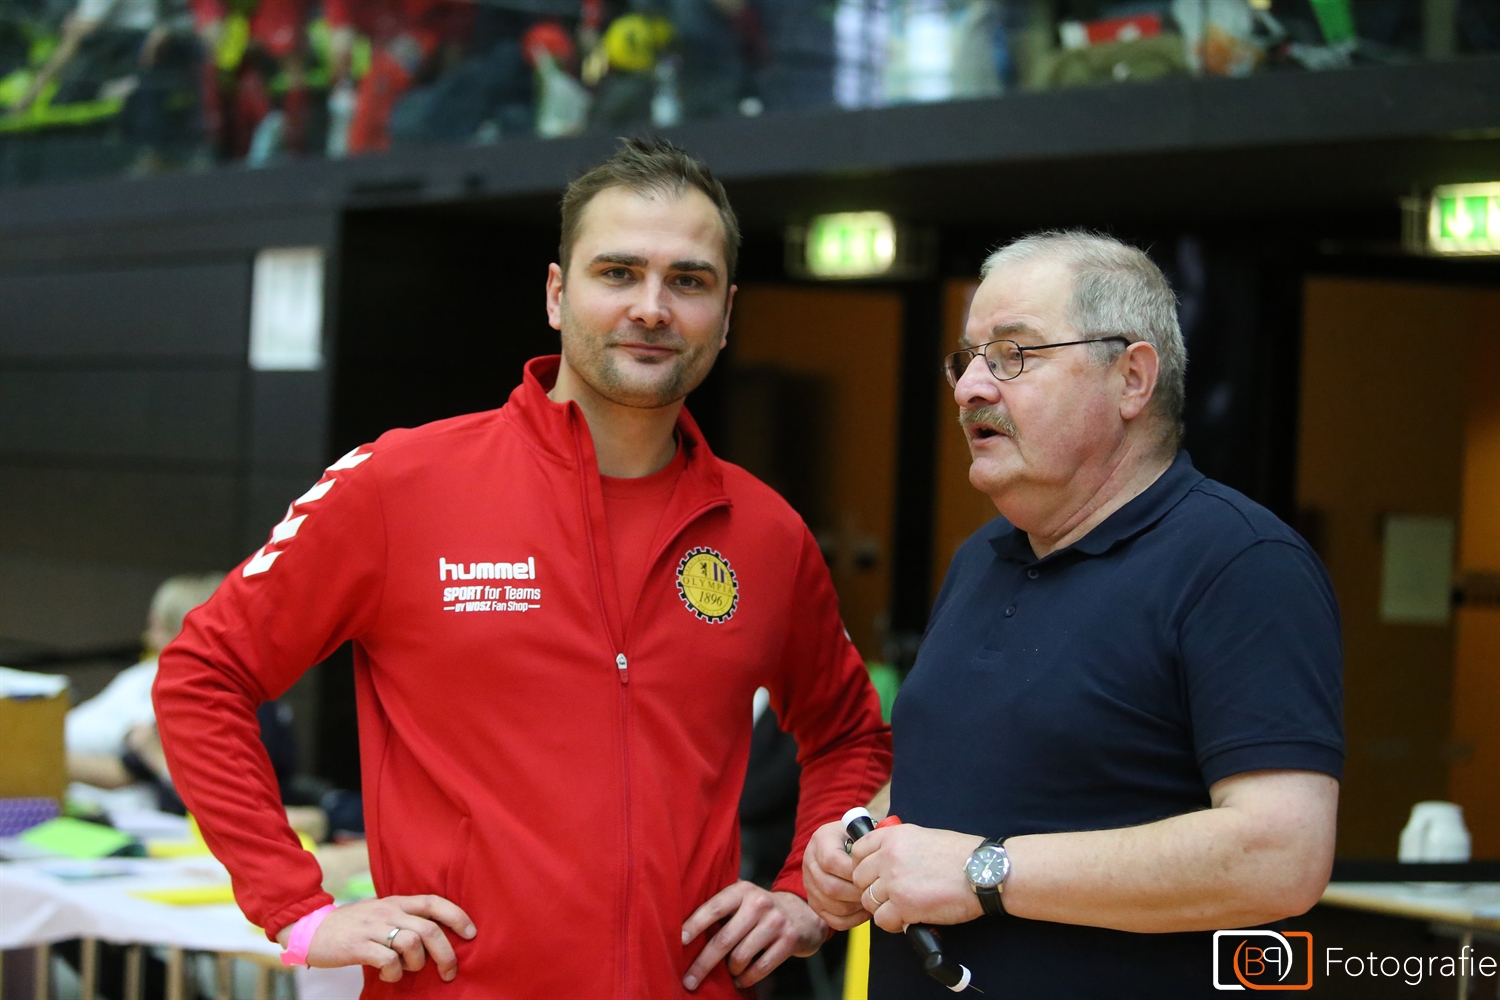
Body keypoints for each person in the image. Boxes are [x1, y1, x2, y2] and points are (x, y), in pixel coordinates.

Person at [154, 136, 892, 998]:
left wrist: (806, 895)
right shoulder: (400, 484)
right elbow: (204, 674)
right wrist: (295, 906)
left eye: (687, 281)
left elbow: (850, 735)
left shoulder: (766, 532)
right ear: (556, 293)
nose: (652, 307)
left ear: (725, 315)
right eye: (617, 272)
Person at [803, 230, 1343, 998]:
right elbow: (960, 777)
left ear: (1132, 379)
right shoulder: (981, 557)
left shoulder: (1240, 563)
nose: (970, 388)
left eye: (1013, 354)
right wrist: (862, 841)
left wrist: (984, 872)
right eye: (968, 359)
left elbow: (1280, 857)